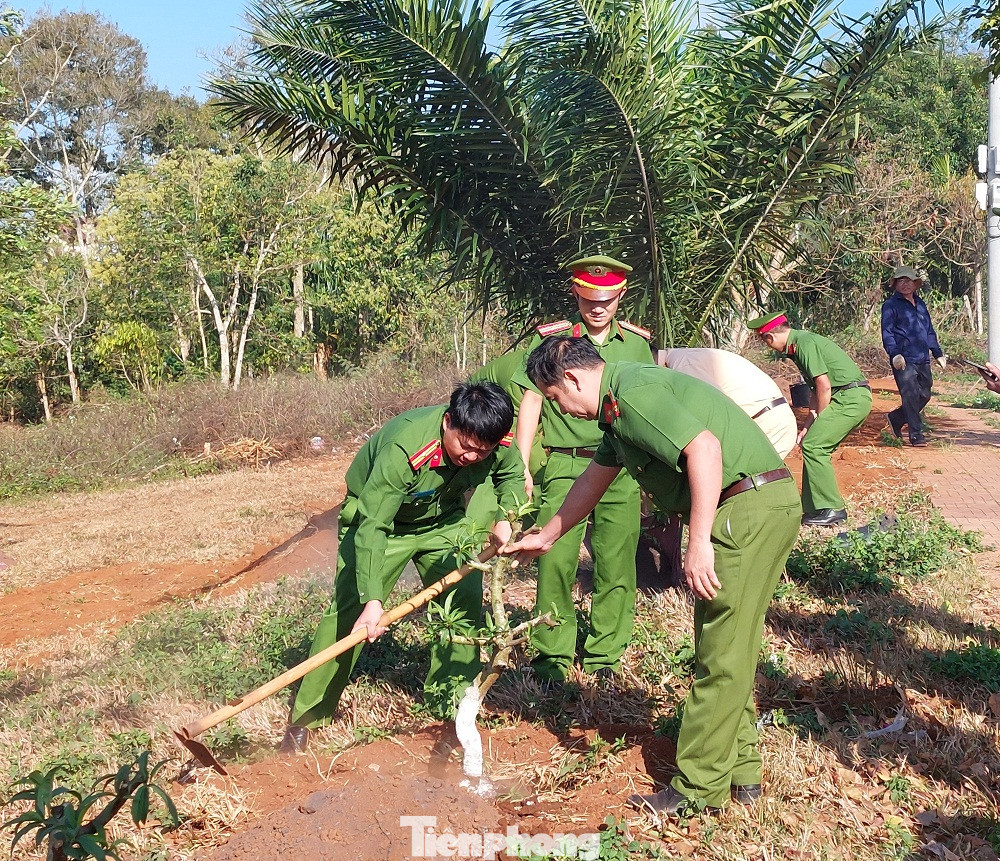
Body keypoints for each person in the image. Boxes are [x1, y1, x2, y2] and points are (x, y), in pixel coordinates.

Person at [501, 336, 801, 816]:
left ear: (573, 379)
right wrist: (549, 534)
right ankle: (740, 772)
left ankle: (697, 788)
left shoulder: (633, 393)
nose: (562, 410)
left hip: (746, 508)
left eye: (555, 398)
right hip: (756, 505)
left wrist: (698, 541)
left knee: (720, 654)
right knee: (728, 644)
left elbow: (703, 449)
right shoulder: (619, 411)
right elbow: (592, 480)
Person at [280, 382, 527, 753]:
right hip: (382, 524)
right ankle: (305, 720)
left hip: (443, 522)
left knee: (461, 604)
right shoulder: (405, 449)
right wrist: (373, 600)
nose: (473, 457)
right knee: (350, 615)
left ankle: (449, 713)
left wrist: (508, 516)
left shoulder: (494, 440)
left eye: (483, 451)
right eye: (465, 446)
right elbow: (373, 526)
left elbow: (510, 476)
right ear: (448, 422)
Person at [512, 254, 654, 683]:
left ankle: (605, 656)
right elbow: (532, 401)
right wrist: (522, 465)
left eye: (606, 299)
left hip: (621, 467)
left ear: (620, 296)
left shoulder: (637, 345)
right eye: (590, 298)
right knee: (554, 560)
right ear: (576, 293)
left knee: (616, 563)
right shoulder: (552, 342)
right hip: (566, 465)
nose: (598, 307)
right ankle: (552, 656)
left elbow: (645, 402)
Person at [749, 312, 872, 528]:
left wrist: (820, 420)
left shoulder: (803, 343)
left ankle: (832, 508)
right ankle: (815, 507)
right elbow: (816, 392)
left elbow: (824, 386)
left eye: (764, 342)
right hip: (846, 397)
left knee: (815, 446)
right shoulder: (800, 344)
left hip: (850, 398)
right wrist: (809, 424)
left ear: (769, 337)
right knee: (812, 443)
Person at [658, 348, 797, 459]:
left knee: (748, 487)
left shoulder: (683, 365)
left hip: (767, 423)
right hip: (765, 418)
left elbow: (714, 414)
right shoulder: (681, 359)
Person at [881, 265, 946, 447]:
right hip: (903, 359)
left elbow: (929, 331)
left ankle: (896, 417)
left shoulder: (921, 304)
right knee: (910, 395)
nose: (905, 284)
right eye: (901, 281)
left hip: (922, 357)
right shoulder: (890, 305)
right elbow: (887, 332)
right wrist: (894, 354)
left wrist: (938, 353)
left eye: (908, 280)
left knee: (924, 394)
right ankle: (916, 434)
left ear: (915, 283)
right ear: (895, 284)